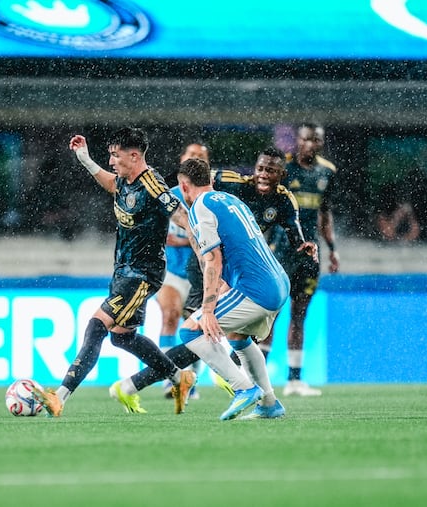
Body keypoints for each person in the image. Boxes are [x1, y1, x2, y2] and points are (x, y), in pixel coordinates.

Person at [31, 127, 196, 417]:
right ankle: (179, 377)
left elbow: (180, 216)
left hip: (143, 275)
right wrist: (85, 159)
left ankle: (60, 396)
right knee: (123, 336)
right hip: (123, 270)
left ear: (134, 156)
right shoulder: (125, 179)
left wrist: (208, 245)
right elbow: (111, 184)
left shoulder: (153, 184)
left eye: (115, 156)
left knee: (96, 326)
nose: (111, 162)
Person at [111, 157, 291, 420]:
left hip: (257, 290)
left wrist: (207, 309)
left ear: (184, 186)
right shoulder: (231, 200)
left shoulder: (200, 208)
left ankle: (243, 388)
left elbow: (213, 259)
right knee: (238, 338)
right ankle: (269, 403)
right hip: (278, 283)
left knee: (191, 331)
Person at [269, 122, 340, 397]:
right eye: (306, 139)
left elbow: (325, 214)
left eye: (316, 140)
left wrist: (332, 249)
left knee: (299, 315)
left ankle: (294, 380)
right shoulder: (283, 170)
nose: (311, 144)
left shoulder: (327, 172)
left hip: (310, 254)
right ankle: (255, 379)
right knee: (270, 314)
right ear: (297, 141)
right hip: (281, 251)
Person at [157, 142, 210, 399]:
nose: (196, 159)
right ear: (182, 160)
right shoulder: (168, 195)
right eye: (192, 156)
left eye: (201, 157)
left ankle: (191, 381)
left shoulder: (212, 198)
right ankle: (170, 379)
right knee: (170, 315)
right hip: (173, 271)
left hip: (202, 274)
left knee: (196, 327)